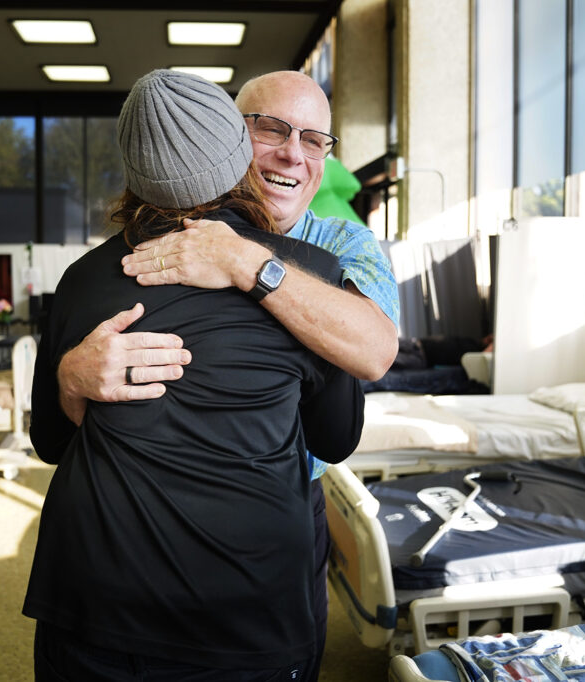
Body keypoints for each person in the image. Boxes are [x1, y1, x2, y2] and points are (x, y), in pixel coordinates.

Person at [53, 70, 401, 680]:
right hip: (120, 555)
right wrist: (70, 378)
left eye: (315, 140)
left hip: (274, 518)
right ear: (227, 139)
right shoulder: (129, 264)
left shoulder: (342, 251)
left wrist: (244, 261)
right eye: (271, 129)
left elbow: (371, 354)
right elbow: (56, 439)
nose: (294, 152)